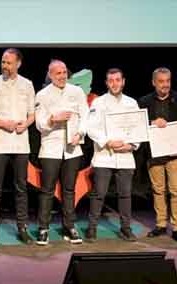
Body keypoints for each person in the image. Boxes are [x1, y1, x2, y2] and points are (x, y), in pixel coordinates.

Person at [0, 48, 35, 248]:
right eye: (3, 62)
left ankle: (22, 228)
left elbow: (32, 113)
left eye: (9, 62)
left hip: (21, 142)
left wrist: (25, 124)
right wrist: (2, 123)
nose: (5, 66)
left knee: (21, 187)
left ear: (18, 64)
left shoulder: (27, 84)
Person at [35, 60, 89, 245]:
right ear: (50, 75)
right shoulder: (42, 95)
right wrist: (52, 119)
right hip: (50, 148)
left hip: (72, 149)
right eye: (58, 73)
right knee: (47, 190)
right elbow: (39, 124)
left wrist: (80, 133)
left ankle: (70, 226)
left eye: (65, 72)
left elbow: (85, 115)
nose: (62, 76)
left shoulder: (77, 92)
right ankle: (43, 228)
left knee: (69, 190)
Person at [85, 68, 139, 242]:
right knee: (98, 194)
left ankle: (126, 228)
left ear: (123, 81)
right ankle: (92, 228)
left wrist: (131, 145)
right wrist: (108, 141)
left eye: (117, 80)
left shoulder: (132, 103)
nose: (114, 83)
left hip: (125, 156)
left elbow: (138, 128)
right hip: (104, 155)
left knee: (125, 195)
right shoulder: (99, 102)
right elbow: (91, 128)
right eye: (111, 80)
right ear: (107, 83)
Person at [139, 67, 177, 241]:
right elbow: (137, 125)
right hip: (154, 154)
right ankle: (161, 224)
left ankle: (176, 226)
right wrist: (152, 122)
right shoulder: (144, 101)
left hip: (175, 154)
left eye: (167, 81)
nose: (165, 85)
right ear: (154, 82)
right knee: (158, 190)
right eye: (161, 81)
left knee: (176, 190)